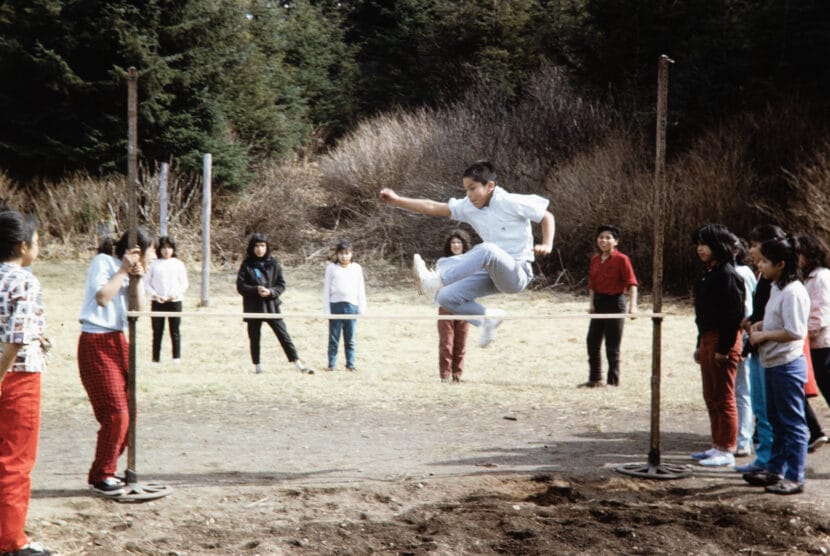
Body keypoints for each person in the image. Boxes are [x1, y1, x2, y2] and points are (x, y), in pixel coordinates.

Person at [379, 160, 554, 347]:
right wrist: (397, 201)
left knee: (487, 250)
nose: (469, 195)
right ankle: (488, 319)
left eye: (472, 188)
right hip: (491, 274)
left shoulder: (510, 201)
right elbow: (432, 206)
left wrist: (547, 243)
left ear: (490, 186)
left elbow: (546, 216)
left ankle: (433, 281)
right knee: (445, 297)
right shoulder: (468, 206)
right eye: (465, 190)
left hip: (517, 272)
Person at [78, 227, 156, 497]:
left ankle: (108, 469)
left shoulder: (134, 271)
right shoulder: (104, 262)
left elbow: (139, 310)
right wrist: (122, 270)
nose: (154, 256)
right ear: (136, 251)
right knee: (116, 414)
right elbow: (102, 298)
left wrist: (137, 278)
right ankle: (101, 475)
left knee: (129, 413)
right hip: (96, 341)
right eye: (151, 252)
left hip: (118, 341)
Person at [0, 211, 53, 556]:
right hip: (16, 377)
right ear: (22, 246)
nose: (39, 246)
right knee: (16, 461)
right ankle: (10, 541)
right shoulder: (24, 280)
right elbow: (15, 339)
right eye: (36, 240)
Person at [745, 236, 810, 494]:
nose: (760, 266)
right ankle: (774, 469)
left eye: (765, 262)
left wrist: (764, 335)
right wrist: (762, 325)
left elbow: (795, 331)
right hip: (771, 362)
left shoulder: (794, 291)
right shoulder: (776, 287)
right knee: (775, 419)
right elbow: (778, 320)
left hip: (787, 365)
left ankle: (795, 476)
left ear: (781, 264)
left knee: (792, 422)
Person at [690, 224, 745, 467]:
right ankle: (716, 444)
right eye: (699, 244)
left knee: (724, 396)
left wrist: (723, 348)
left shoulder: (728, 275)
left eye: (705, 244)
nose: (700, 249)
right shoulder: (708, 273)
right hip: (707, 338)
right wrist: (699, 344)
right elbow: (702, 315)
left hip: (723, 340)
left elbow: (733, 316)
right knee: (710, 395)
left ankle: (727, 448)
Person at [237, 233, 312, 375]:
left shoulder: (274, 263)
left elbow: (281, 285)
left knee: (283, 334)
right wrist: (255, 290)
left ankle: (297, 363)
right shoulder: (247, 264)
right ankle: (257, 367)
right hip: (253, 306)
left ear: (267, 247)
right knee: (254, 336)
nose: (260, 249)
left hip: (271, 305)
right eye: (257, 246)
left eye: (262, 246)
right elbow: (240, 286)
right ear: (252, 247)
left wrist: (271, 292)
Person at [580, 225, 638, 388]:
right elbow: (592, 285)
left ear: (616, 242)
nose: (604, 240)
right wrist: (591, 304)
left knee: (612, 345)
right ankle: (595, 379)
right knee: (592, 341)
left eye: (608, 238)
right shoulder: (595, 260)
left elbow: (632, 283)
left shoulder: (622, 259)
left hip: (615, 303)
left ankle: (612, 382)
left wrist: (632, 306)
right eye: (601, 237)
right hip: (599, 303)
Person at [796, 233, 830, 426]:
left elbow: (821, 311)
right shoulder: (810, 277)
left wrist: (808, 332)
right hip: (816, 340)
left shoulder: (820, 277)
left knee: (826, 382)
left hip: (822, 341)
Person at [322, 239, 367, 372]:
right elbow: (326, 290)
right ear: (337, 254)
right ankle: (331, 364)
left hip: (351, 306)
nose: (344, 256)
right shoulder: (331, 268)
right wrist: (327, 310)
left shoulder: (357, 268)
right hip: (335, 305)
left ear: (351, 254)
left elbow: (360, 289)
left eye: (347, 253)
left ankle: (350, 364)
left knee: (350, 338)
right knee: (333, 338)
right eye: (341, 253)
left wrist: (362, 308)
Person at [435, 229, 473, 383]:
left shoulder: (471, 261)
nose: (456, 245)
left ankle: (457, 375)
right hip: (446, 305)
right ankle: (445, 375)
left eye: (459, 242)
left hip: (465, 305)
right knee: (447, 342)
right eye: (453, 242)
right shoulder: (442, 262)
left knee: (461, 342)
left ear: (464, 245)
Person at [144, 236, 188, 363]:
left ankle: (176, 358)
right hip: (158, 302)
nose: (166, 250)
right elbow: (147, 283)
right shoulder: (154, 264)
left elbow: (184, 284)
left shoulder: (178, 264)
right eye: (163, 248)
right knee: (157, 331)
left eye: (169, 248)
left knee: (175, 330)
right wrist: (155, 295)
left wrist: (174, 294)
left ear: (173, 249)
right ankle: (155, 359)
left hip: (175, 302)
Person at [732, 237, 758, 457]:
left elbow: (748, 310)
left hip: (740, 338)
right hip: (724, 339)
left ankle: (744, 439)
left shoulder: (742, 273)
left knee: (743, 390)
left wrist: (744, 340)